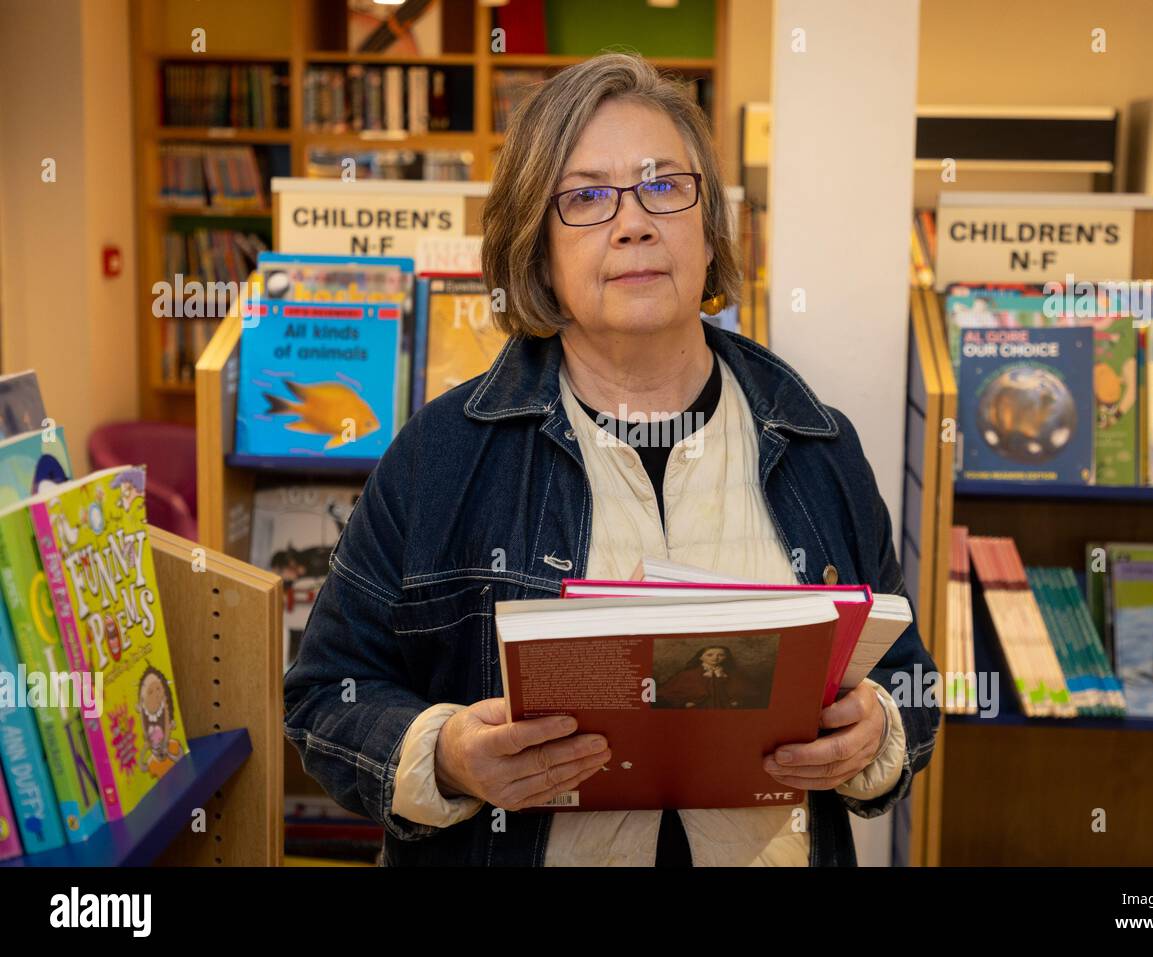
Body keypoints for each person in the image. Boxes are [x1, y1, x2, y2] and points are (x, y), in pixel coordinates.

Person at [284, 52, 940, 867]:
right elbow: (324, 697)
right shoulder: (440, 456)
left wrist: (875, 731)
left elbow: (912, 683)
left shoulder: (819, 447)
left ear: (708, 231)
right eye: (587, 197)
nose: (634, 222)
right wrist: (446, 755)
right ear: (538, 247)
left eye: (665, 186)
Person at [657, 645, 762, 709]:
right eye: (710, 655)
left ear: (726, 657)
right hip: (697, 710)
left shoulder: (734, 674)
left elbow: (751, 692)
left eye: (721, 655)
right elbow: (665, 692)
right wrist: (683, 703)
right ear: (701, 658)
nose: (715, 658)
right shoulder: (687, 675)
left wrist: (738, 701)